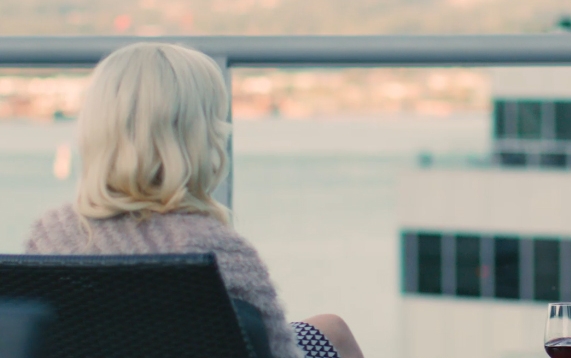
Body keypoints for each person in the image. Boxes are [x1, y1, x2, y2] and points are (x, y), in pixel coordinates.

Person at [23, 43, 365, 358]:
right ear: (199, 138)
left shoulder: (49, 236)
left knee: (329, 328)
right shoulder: (215, 251)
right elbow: (277, 352)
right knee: (333, 333)